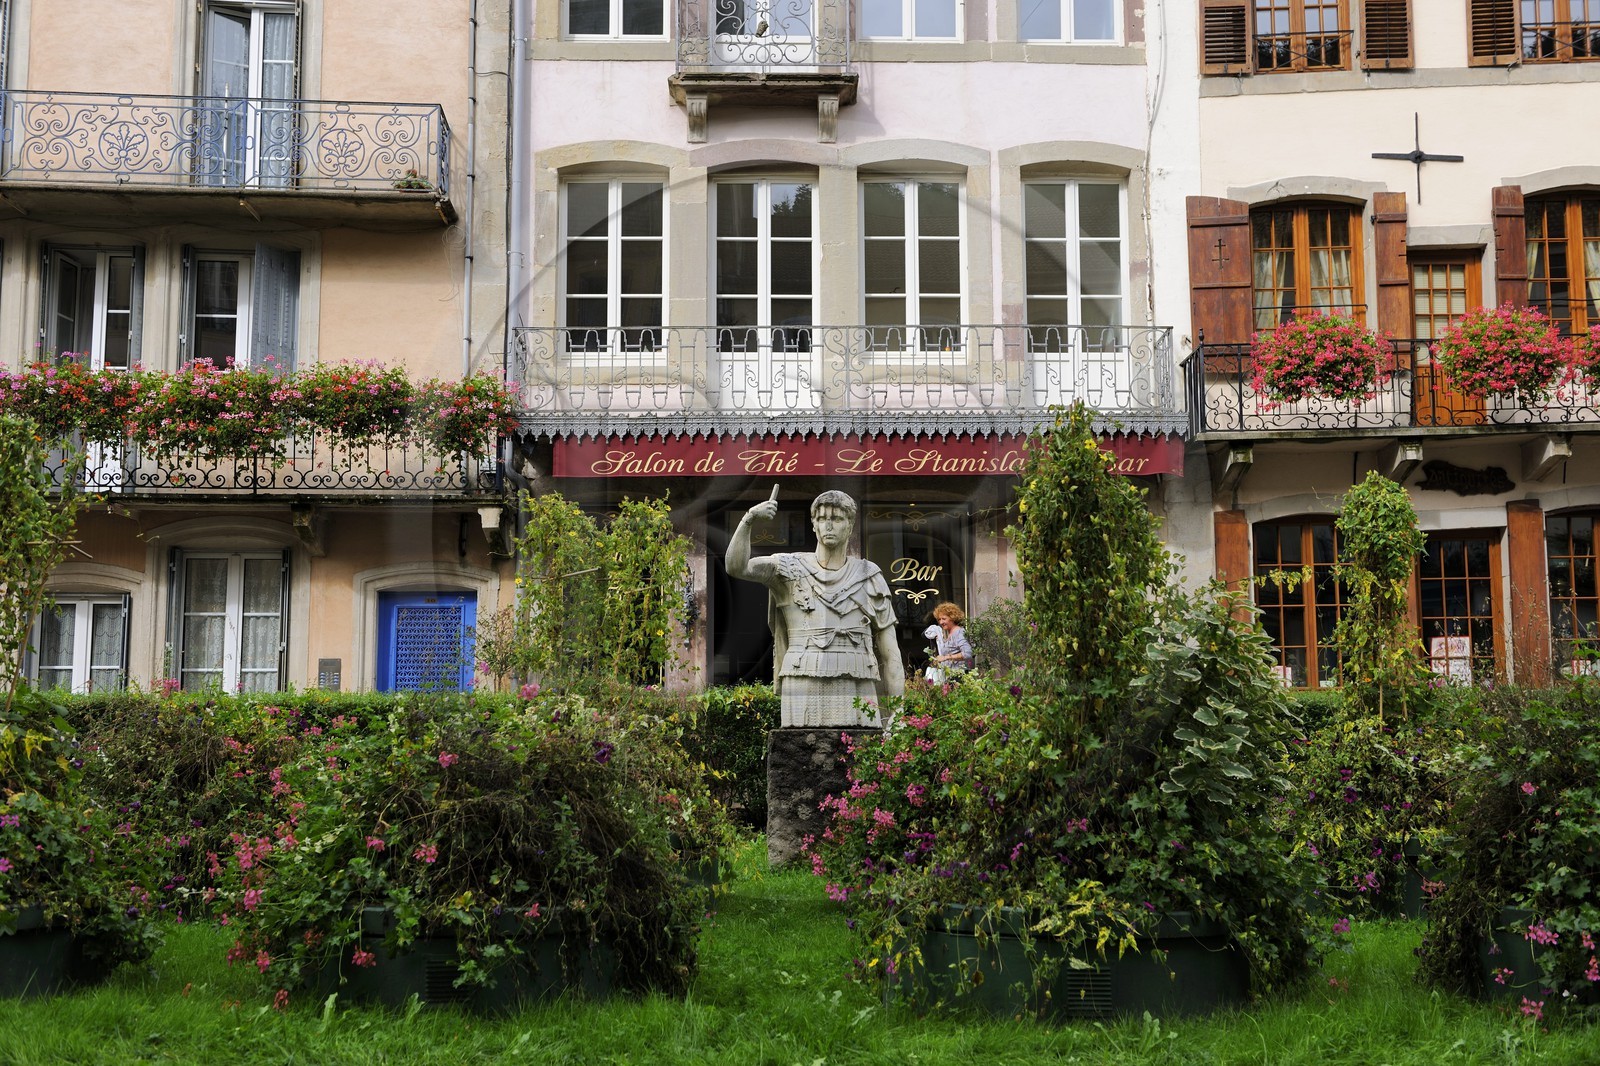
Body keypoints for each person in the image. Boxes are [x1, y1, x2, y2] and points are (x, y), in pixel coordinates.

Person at [728, 487, 905, 728]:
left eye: (837, 518)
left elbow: (890, 652)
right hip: (802, 680)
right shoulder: (788, 567)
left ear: (850, 526)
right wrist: (749, 518)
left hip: (857, 680)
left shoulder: (869, 575)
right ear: (813, 525)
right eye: (822, 519)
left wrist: (897, 710)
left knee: (861, 758)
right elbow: (737, 567)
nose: (828, 525)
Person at [926, 602, 973, 682]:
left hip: (959, 677)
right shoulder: (948, 633)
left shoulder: (959, 633)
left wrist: (945, 657)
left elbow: (967, 653)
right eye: (939, 619)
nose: (941, 622)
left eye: (944, 619)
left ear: (952, 617)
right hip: (950, 676)